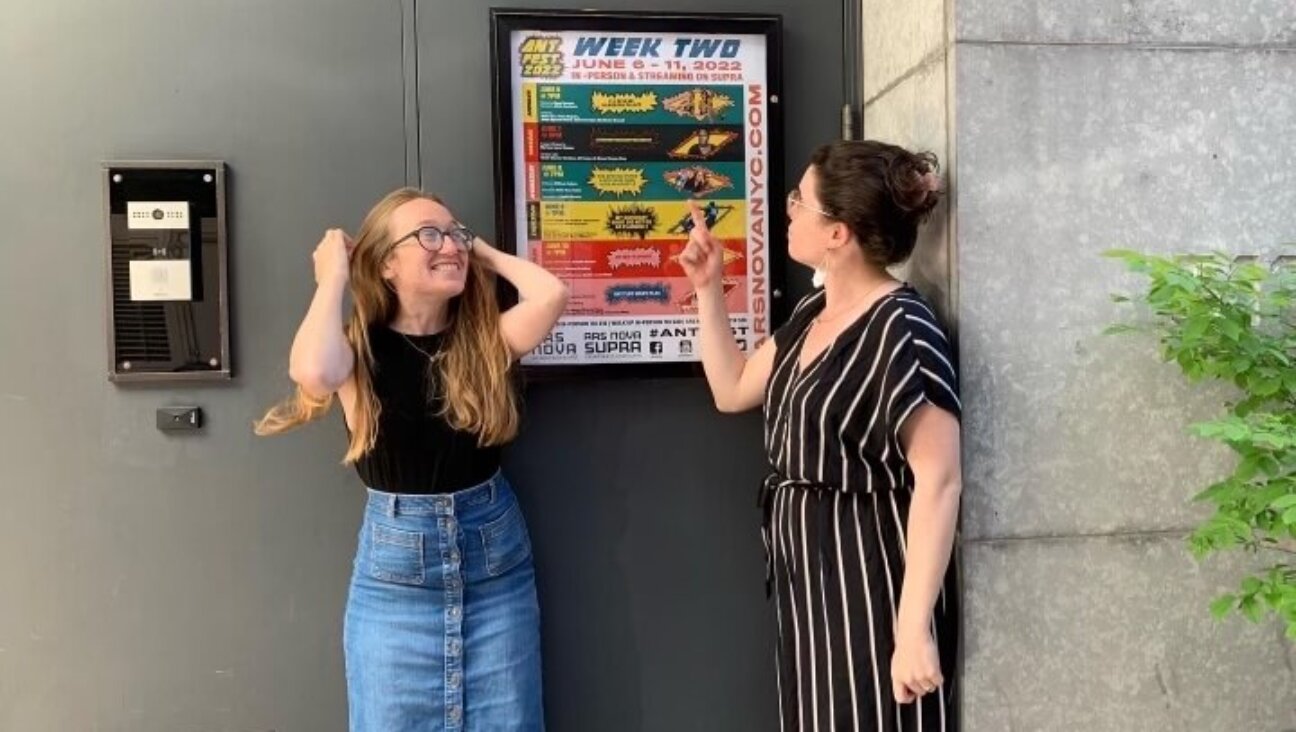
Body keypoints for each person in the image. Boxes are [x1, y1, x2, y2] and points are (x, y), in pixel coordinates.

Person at [255, 187, 568, 731]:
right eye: (429, 235)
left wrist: (480, 253)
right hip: (396, 584)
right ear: (386, 265)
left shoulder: (481, 341)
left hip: (496, 570)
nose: (448, 244)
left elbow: (550, 295)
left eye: (454, 233)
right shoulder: (359, 351)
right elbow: (312, 372)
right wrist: (335, 275)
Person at [680, 140, 962, 731]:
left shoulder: (902, 330)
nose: (788, 211)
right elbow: (731, 388)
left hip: (871, 584)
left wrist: (912, 630)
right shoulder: (813, 313)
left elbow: (939, 480)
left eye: (798, 202)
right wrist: (710, 289)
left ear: (838, 233)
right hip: (808, 585)